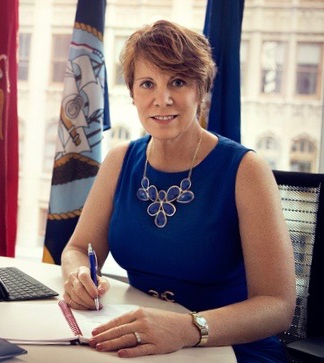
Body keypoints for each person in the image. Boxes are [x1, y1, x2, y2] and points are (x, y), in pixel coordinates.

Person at [60, 20, 296, 362]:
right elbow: (78, 248)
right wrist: (79, 276)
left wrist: (186, 328)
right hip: (144, 344)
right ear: (132, 92)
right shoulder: (120, 160)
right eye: (147, 84)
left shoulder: (246, 170)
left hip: (230, 350)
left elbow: (278, 307)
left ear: (201, 90)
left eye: (178, 82)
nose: (162, 99)